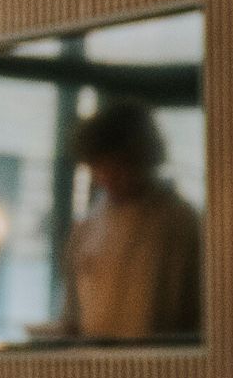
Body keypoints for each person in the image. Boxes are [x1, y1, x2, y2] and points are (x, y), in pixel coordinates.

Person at [61, 101, 204, 341]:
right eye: (100, 166)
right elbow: (72, 314)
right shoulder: (86, 229)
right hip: (94, 364)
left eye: (118, 165)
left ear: (143, 158)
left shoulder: (181, 222)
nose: (107, 176)